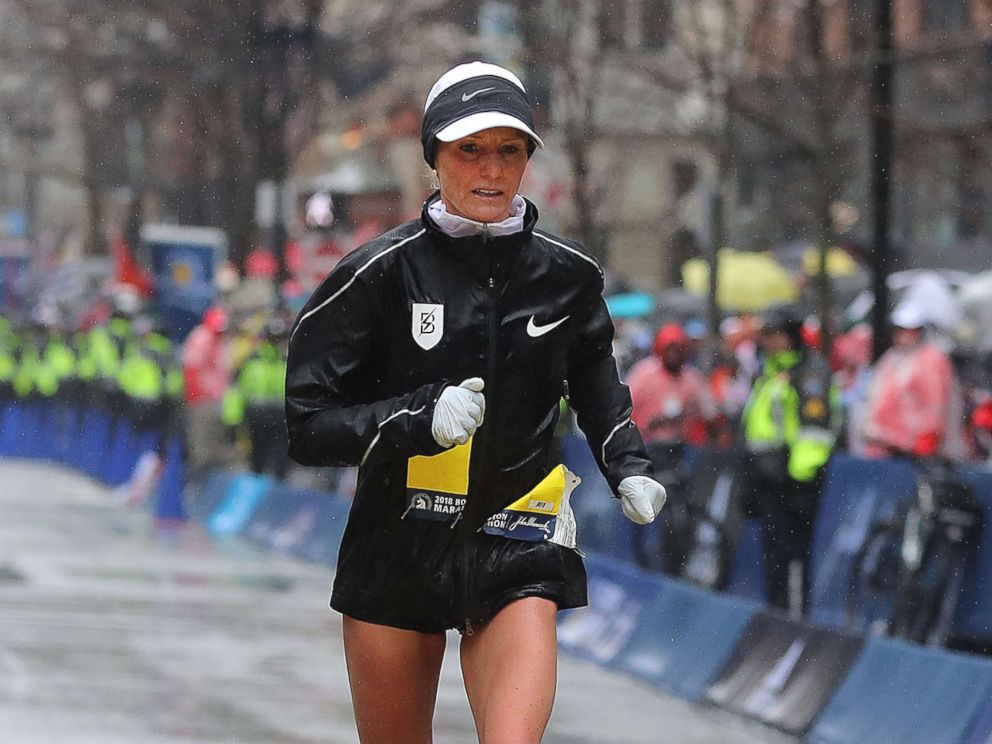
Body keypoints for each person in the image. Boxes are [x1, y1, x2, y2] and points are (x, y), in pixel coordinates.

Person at [285, 61, 668, 744]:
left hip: (517, 537)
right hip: (398, 543)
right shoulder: (376, 274)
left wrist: (628, 464)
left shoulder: (568, 276)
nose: (491, 170)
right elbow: (309, 425)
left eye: (509, 150)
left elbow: (595, 379)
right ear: (433, 157)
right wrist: (415, 417)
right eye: (470, 150)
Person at [740, 306, 838, 617]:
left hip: (794, 484)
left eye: (774, 335)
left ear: (791, 336)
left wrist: (799, 479)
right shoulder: (769, 371)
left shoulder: (809, 373)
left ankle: (794, 621)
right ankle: (777, 616)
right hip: (768, 479)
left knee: (794, 556)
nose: (767, 342)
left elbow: (815, 432)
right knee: (773, 557)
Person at [860, 302, 967, 461]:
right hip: (885, 450)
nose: (904, 335)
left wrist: (925, 440)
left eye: (910, 330)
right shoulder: (892, 358)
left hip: (917, 454)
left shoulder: (932, 360)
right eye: (900, 329)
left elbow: (935, 407)